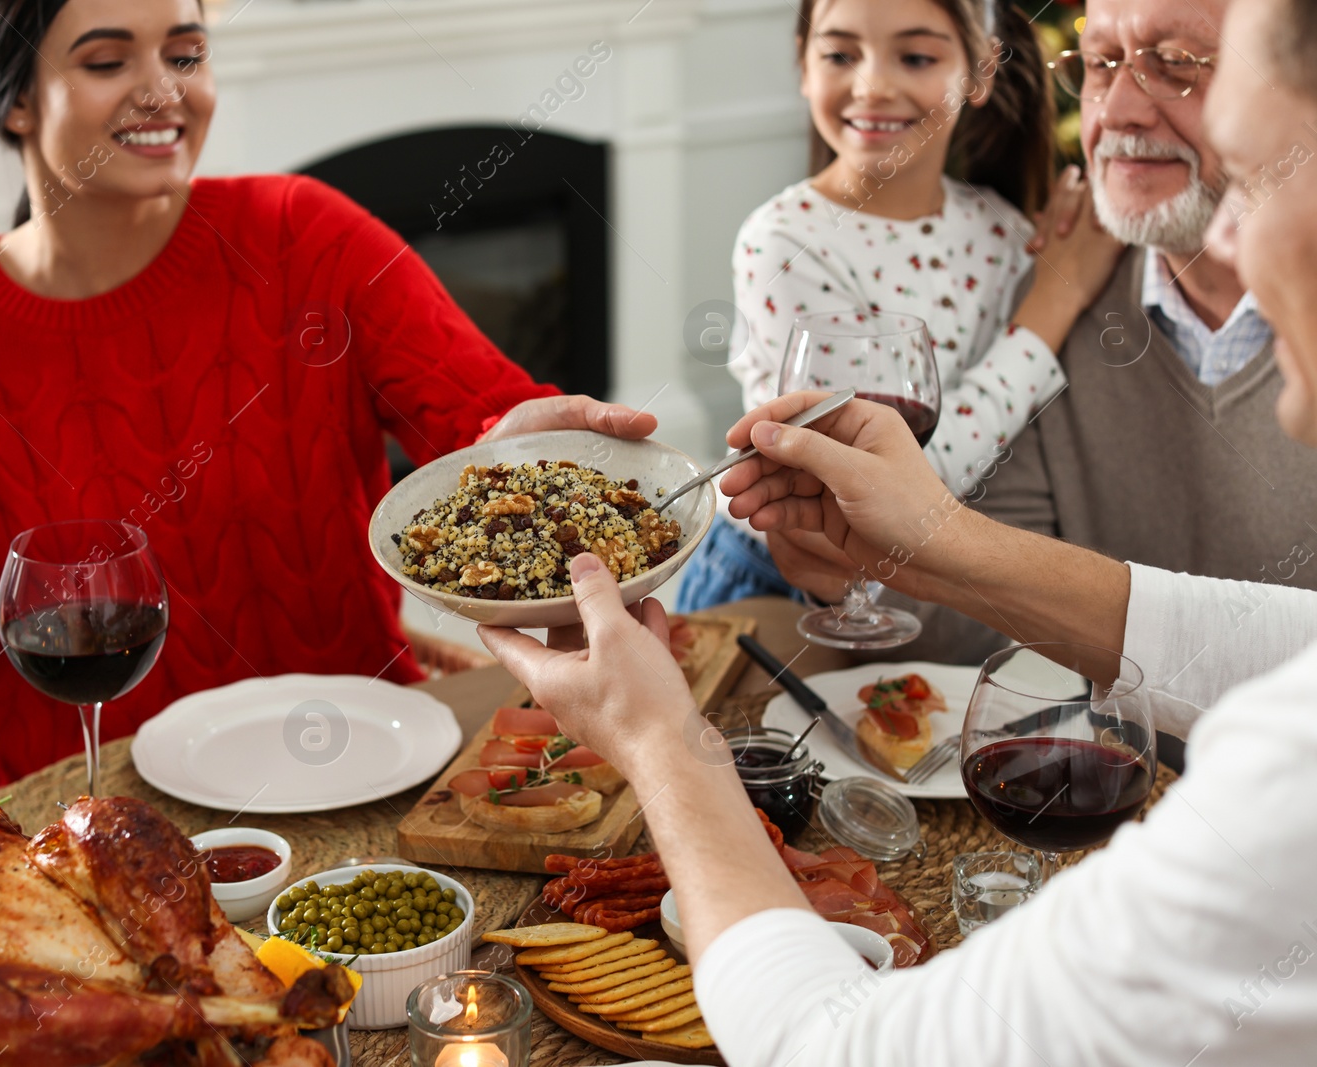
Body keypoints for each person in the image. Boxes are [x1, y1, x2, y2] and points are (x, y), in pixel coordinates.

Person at [480, 0, 1317, 1060]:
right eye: (1097, 62)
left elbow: (845, 1048)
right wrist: (919, 543)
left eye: (1189, 70)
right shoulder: (1057, 271)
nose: (1230, 227)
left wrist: (660, 739)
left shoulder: (1276, 798)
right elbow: (1291, 649)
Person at [0, 0, 655, 789]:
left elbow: (481, 418)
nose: (162, 90)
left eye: (185, 55)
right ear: (15, 101)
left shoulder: (307, 235)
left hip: (357, 780)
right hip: (81, 814)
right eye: (107, 62)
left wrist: (530, 445)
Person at [766, 0, 1317, 664]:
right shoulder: (1053, 299)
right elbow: (994, 620)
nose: (1118, 112)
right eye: (1100, 64)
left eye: (1175, 64)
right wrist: (855, 576)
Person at [678, 0, 1123, 610]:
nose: (872, 86)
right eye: (839, 54)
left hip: (913, 587)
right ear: (803, 67)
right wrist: (1052, 306)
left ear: (980, 72)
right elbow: (879, 491)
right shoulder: (783, 242)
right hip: (774, 588)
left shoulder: (1001, 228)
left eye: (915, 57)